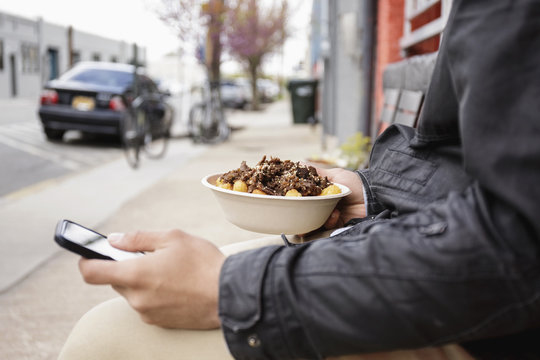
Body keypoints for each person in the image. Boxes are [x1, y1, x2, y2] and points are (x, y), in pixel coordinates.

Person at [59, 0, 540, 359]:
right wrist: (373, 193)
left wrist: (229, 292)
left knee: (101, 342)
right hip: (444, 258)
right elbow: (486, 169)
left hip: (488, 323)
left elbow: (520, 244)